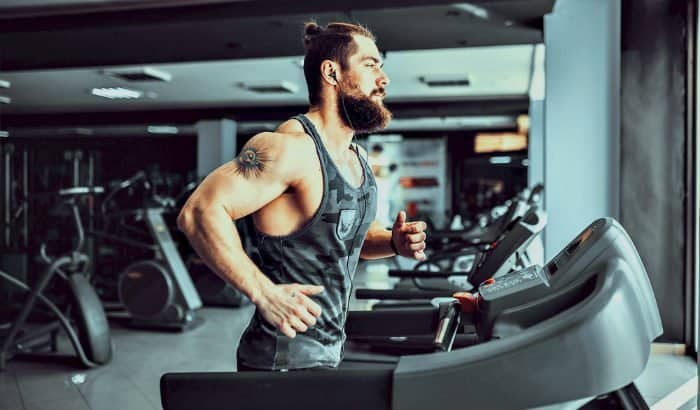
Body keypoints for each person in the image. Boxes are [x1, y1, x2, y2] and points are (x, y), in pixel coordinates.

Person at [177, 21, 427, 371]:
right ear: (332, 72)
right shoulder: (287, 149)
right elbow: (199, 211)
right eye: (371, 65)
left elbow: (350, 238)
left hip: (327, 352)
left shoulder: (357, 158)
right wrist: (263, 293)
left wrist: (393, 243)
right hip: (281, 359)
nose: (383, 80)